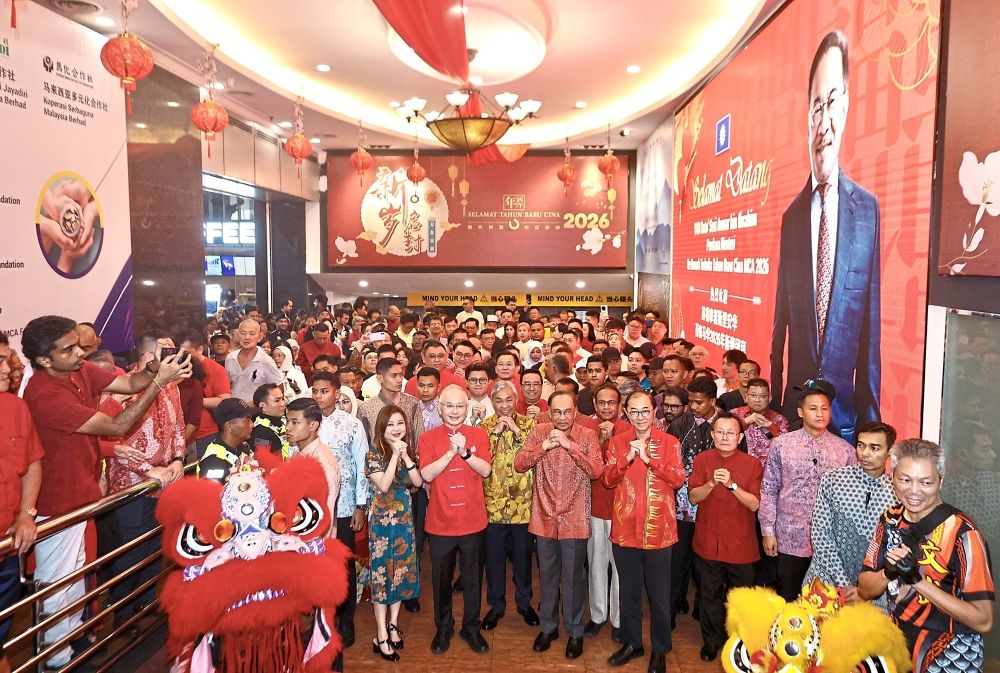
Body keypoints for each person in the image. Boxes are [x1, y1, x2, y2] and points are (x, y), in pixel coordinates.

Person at [20, 315, 190, 668]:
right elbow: (117, 424)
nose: (80, 352)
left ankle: (69, 647)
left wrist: (156, 369)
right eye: (69, 349)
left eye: (80, 345)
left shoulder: (77, 369)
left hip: (82, 497)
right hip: (57, 503)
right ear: (43, 361)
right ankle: (56, 659)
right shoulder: (45, 394)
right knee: (58, 586)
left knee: (76, 579)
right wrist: (159, 383)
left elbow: (129, 384)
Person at [770, 30, 880, 445]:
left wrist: (871, 426)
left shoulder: (866, 210)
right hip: (794, 413)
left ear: (847, 107)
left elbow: (870, 333)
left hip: (846, 417)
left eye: (832, 102)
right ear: (806, 119)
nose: (824, 121)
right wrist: (781, 406)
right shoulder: (791, 217)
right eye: (816, 108)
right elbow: (779, 328)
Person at [860, 439, 995, 673]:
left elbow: (984, 620)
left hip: (951, 651)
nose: (914, 491)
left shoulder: (963, 533)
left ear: (940, 481)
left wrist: (917, 581)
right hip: (900, 644)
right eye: (904, 480)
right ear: (892, 477)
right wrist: (888, 572)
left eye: (926, 482)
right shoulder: (890, 520)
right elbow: (864, 589)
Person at [515, 390, 603, 660]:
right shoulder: (540, 431)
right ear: (549, 412)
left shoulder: (587, 434)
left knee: (574, 578)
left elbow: (596, 471)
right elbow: (520, 463)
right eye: (557, 412)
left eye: (567, 412)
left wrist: (569, 446)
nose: (562, 418)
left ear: (575, 411)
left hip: (574, 519)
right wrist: (544, 447)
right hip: (543, 517)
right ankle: (548, 627)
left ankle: (575, 631)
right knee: (548, 576)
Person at [107, 333, 188, 625]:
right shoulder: (122, 388)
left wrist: (179, 458)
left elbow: (179, 425)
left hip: (165, 481)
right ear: (146, 355)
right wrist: (146, 470)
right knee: (132, 549)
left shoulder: (172, 387)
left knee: (156, 546)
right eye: (164, 349)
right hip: (131, 483)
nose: (172, 355)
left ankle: (145, 603)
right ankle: (123, 613)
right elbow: (110, 437)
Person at [602, 390, 685, 673]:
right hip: (625, 531)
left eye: (645, 411)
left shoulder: (670, 442)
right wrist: (626, 458)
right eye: (634, 411)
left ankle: (660, 649)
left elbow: (677, 480)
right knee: (629, 591)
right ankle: (632, 643)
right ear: (626, 413)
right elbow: (608, 481)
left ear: (654, 412)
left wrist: (650, 460)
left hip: (660, 532)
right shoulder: (616, 443)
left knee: (660, 595)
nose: (640, 417)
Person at [759, 380, 855, 601]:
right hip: (789, 537)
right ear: (800, 411)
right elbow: (769, 489)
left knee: (825, 604)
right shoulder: (781, 445)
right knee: (789, 600)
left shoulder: (845, 451)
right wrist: (768, 531)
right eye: (813, 409)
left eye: (825, 408)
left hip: (830, 543)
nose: (820, 414)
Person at [418, 385, 492, 655]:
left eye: (460, 406)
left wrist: (466, 453)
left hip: (473, 521)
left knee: (473, 578)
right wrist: (450, 452)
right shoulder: (428, 438)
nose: (454, 411)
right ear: (440, 408)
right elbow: (426, 474)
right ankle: (443, 627)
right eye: (449, 406)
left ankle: (471, 627)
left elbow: (485, 470)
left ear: (467, 407)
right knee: (441, 580)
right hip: (440, 522)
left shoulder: (478, 434)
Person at [687, 413, 763, 662]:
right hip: (707, 541)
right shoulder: (702, 460)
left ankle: (739, 642)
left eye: (731, 432)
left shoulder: (752, 464)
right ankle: (711, 642)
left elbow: (754, 504)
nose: (725, 437)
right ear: (712, 435)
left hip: (741, 544)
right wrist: (711, 483)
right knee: (709, 595)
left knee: (741, 597)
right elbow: (693, 497)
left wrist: (731, 485)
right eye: (720, 432)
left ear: (740, 437)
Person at [806, 421, 897, 609]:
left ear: (890, 452)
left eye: (875, 448)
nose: (865, 453)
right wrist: (844, 585)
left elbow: (893, 549)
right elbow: (821, 535)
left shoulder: (897, 493)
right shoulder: (833, 479)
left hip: (873, 593)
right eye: (861, 445)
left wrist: (864, 591)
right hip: (826, 579)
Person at [313, 371, 369, 648]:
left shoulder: (352, 424)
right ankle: (321, 617)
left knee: (344, 563)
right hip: (312, 508)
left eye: (324, 391)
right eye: (315, 391)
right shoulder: (306, 422)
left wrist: (361, 505)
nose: (319, 396)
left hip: (345, 505)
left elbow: (362, 465)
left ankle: (346, 619)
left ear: (337, 393)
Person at [479, 381, 539, 631]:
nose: (504, 406)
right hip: (492, 506)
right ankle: (496, 606)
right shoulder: (483, 427)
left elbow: (535, 455)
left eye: (508, 400)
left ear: (516, 401)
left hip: (523, 506)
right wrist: (495, 433)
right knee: (493, 560)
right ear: (492, 403)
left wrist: (515, 430)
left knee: (523, 560)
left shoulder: (530, 425)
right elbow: (480, 460)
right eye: (499, 401)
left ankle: (524, 604)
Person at [365, 405, 422, 662]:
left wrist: (406, 457)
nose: (397, 429)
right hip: (381, 522)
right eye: (391, 425)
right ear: (382, 427)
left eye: (400, 424)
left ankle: (393, 624)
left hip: (404, 520)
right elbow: (385, 484)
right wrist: (393, 457)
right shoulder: (373, 454)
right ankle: (380, 634)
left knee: (401, 571)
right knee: (381, 575)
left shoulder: (406, 450)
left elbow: (418, 483)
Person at [0, 343, 42, 673]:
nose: (7, 368)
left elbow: (31, 463)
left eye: (7, 359)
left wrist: (26, 512)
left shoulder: (15, 407)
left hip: (9, 546)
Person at [666, 377, 717, 621]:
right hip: (682, 502)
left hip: (713, 500)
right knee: (678, 557)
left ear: (713, 402)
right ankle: (673, 604)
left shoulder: (726, 425)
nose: (694, 407)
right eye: (691, 402)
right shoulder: (678, 424)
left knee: (706, 560)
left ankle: (701, 606)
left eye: (700, 402)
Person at [585, 383, 631, 642]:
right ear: (594, 404)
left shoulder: (629, 430)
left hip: (621, 508)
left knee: (620, 566)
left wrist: (611, 440)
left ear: (619, 406)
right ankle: (598, 614)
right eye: (601, 402)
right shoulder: (586, 430)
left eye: (611, 403)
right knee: (596, 563)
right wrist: (600, 441)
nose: (606, 407)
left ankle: (618, 618)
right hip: (593, 506)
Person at [284, 398, 340, 528]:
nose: (288, 427)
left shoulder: (322, 464)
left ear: (313, 425)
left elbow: (325, 516)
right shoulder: (299, 453)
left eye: (295, 422)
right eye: (287, 421)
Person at [179, 331, 232, 459]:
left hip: (206, 433)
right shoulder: (178, 368)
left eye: (187, 352)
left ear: (200, 349)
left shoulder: (215, 369)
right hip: (183, 434)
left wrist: (195, 402)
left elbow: (224, 400)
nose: (183, 357)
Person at [730, 377, 789, 466]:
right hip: (739, 467)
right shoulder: (734, 414)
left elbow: (786, 447)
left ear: (769, 398)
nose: (757, 400)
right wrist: (745, 422)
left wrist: (770, 426)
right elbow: (724, 435)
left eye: (762, 396)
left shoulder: (779, 420)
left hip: (769, 471)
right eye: (753, 395)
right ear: (746, 397)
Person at [197, 398, 255, 481]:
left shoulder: (241, 447)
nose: (252, 424)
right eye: (247, 420)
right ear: (229, 426)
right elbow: (211, 493)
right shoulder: (214, 463)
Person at [225, 319, 282, 402]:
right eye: (243, 333)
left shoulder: (266, 361)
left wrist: (259, 403)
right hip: (234, 410)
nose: (247, 337)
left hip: (257, 411)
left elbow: (279, 387)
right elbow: (226, 385)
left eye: (252, 334)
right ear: (238, 335)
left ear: (259, 337)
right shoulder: (230, 358)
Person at [249, 383, 289, 458]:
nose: (283, 403)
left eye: (282, 399)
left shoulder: (285, 420)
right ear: (262, 406)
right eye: (277, 400)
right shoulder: (260, 433)